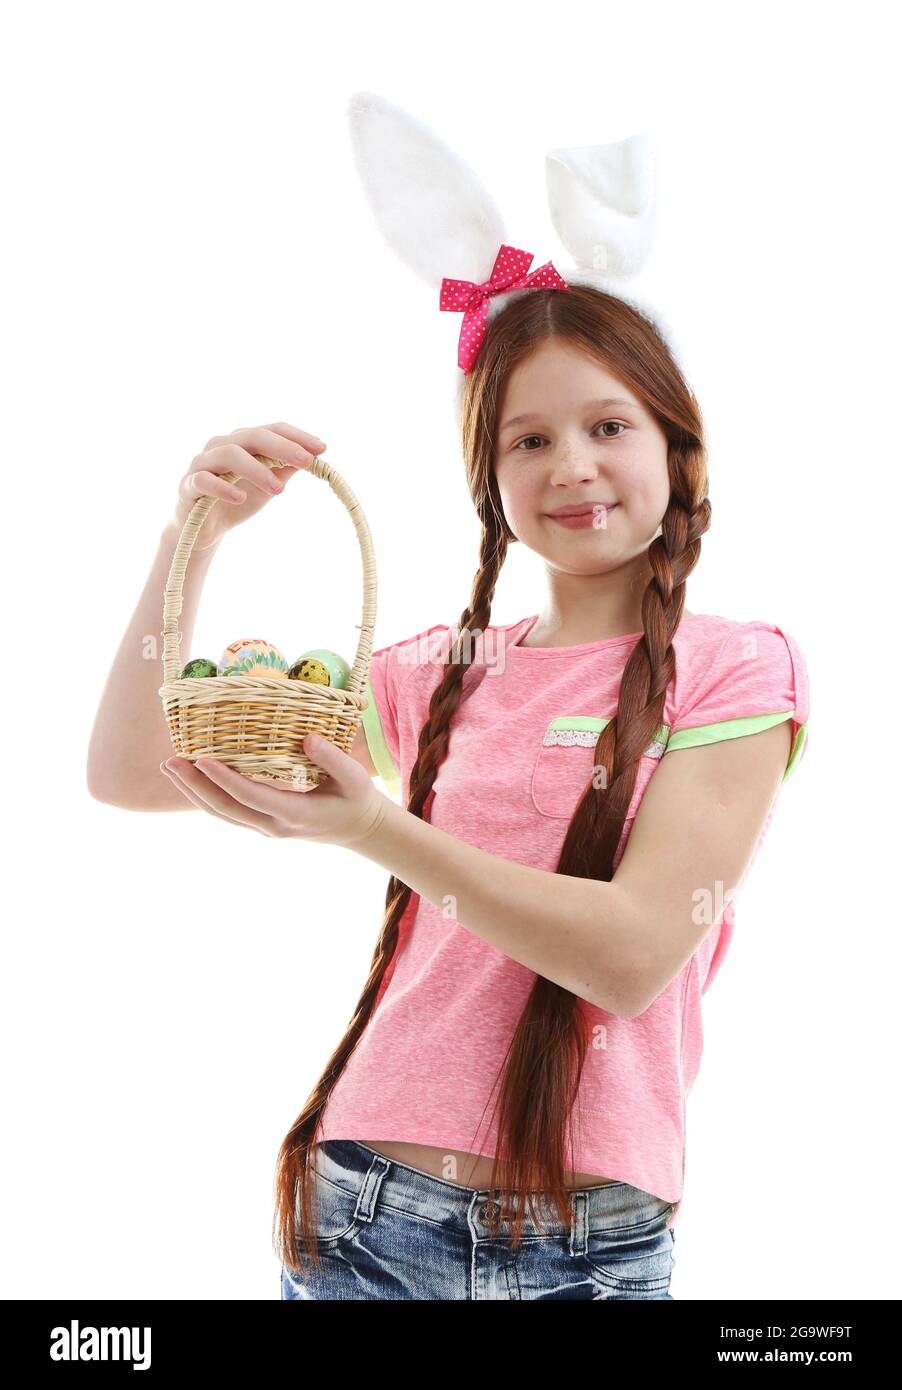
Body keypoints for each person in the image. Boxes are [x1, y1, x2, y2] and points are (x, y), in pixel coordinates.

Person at [88, 286, 809, 1302]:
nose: (569, 463)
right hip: (363, 1219)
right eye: (526, 439)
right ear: (489, 482)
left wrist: (377, 829)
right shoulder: (442, 672)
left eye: (608, 425)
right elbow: (129, 768)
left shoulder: (738, 666)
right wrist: (192, 536)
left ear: (676, 451)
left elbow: (632, 952)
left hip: (594, 1249)